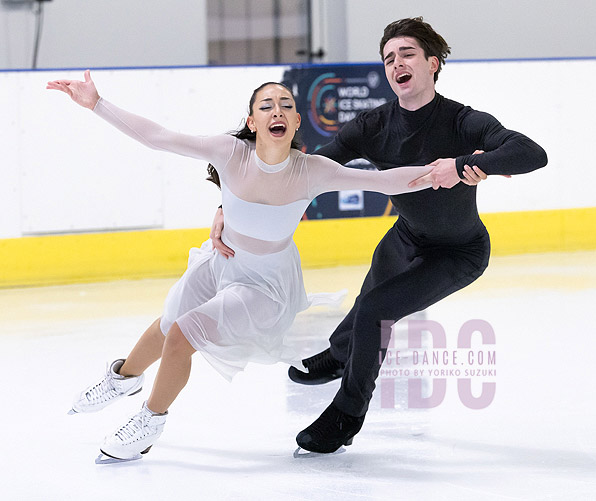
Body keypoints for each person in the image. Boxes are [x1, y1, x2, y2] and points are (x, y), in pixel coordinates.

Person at [46, 70, 439, 461]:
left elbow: (386, 182)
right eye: (266, 106)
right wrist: (97, 103)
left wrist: (448, 171)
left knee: (182, 335)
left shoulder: (311, 170)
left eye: (286, 105)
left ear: (296, 121)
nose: (277, 111)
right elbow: (158, 138)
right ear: (252, 122)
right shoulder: (229, 153)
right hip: (222, 260)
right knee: (167, 325)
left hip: (265, 286)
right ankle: (123, 379)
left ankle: (150, 421)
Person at [211, 17, 548, 454]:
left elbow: (531, 153)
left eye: (407, 54)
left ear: (433, 63)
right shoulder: (372, 126)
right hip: (406, 237)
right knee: (369, 302)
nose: (396, 64)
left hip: (459, 252)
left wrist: (462, 164)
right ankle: (339, 354)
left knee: (374, 310)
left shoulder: (463, 121)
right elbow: (300, 171)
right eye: (389, 58)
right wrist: (229, 206)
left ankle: (346, 417)